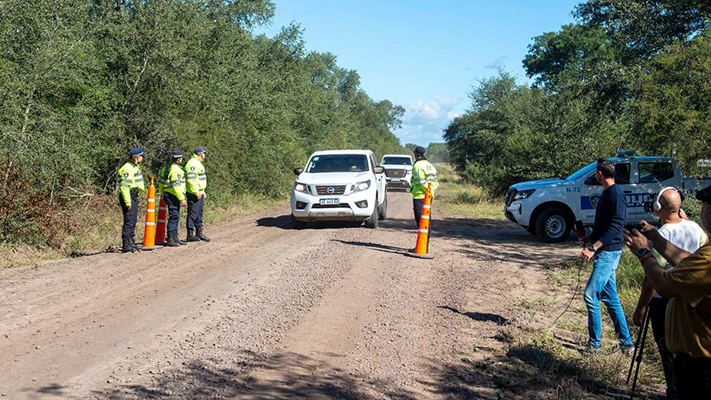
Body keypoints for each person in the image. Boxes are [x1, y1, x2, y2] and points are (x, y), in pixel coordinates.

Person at [624, 186, 711, 400]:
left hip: (701, 364)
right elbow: (688, 263)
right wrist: (658, 241)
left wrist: (644, 253)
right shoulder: (700, 237)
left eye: (706, 205)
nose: (704, 210)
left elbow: (663, 285)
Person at [579, 159, 634, 354]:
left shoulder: (616, 194)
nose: (595, 175)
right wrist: (590, 237)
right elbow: (604, 225)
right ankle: (627, 344)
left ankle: (594, 346)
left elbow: (616, 227)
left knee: (590, 295)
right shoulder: (606, 193)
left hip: (608, 252)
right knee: (610, 298)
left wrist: (593, 247)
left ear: (600, 174)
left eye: (595, 172)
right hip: (604, 251)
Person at [117, 148, 145, 253]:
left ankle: (131, 241)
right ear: (136, 157)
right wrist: (127, 201)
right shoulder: (127, 168)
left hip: (133, 196)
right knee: (129, 220)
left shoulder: (134, 167)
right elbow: (124, 187)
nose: (142, 158)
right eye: (141, 156)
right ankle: (126, 243)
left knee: (133, 220)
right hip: (128, 196)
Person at [410, 146, 438, 250]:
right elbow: (435, 182)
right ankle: (424, 246)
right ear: (424, 154)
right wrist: (431, 191)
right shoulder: (430, 165)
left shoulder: (417, 166)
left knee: (421, 222)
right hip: (427, 197)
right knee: (426, 220)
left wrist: (427, 191)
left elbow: (420, 182)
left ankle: (423, 247)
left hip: (420, 196)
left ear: (415, 154)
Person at [162, 150, 187, 247]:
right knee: (174, 217)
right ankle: (171, 238)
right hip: (174, 195)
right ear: (179, 159)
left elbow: (161, 182)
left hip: (168, 194)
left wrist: (163, 192)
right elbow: (176, 186)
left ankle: (175, 237)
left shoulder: (165, 168)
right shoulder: (176, 170)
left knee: (174, 216)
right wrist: (182, 198)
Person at [185, 147, 210, 242]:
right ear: (200, 154)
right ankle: (190, 234)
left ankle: (199, 233)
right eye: (204, 153)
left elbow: (200, 180)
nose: (205, 155)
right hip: (194, 193)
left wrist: (202, 190)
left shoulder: (197, 163)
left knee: (199, 213)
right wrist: (196, 191)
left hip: (199, 192)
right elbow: (191, 180)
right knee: (193, 213)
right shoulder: (192, 163)